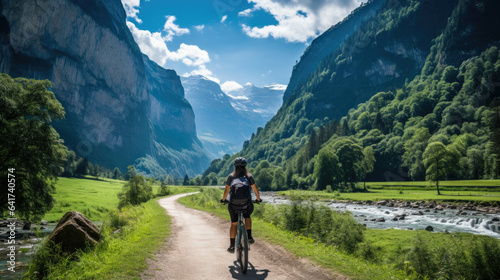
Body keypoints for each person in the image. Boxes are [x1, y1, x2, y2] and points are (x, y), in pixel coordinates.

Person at [221, 157, 261, 253]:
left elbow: (226, 190)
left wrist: (223, 200)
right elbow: (255, 189)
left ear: (235, 166)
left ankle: (231, 246)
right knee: (247, 216)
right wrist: (258, 199)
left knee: (234, 224)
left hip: (233, 205)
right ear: (245, 166)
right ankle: (249, 236)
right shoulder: (249, 176)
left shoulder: (231, 177)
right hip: (246, 204)